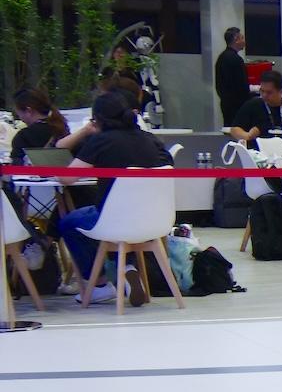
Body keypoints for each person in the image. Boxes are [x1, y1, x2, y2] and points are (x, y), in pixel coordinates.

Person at [55, 92, 171, 303]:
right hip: (155, 220)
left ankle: (99, 285)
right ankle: (127, 268)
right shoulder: (150, 139)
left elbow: (67, 178)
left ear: (98, 119)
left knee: (70, 223)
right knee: (117, 226)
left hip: (113, 219)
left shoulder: (101, 141)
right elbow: (168, 164)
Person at [229, 69, 282, 145]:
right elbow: (234, 129)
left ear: (281, 91)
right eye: (262, 91)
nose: (264, 95)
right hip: (257, 149)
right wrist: (248, 136)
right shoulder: (252, 105)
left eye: (269, 92)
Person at [9, 88, 69, 165]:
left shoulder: (24, 136)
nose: (20, 118)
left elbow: (16, 167)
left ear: (28, 111)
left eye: (18, 113)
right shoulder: (62, 128)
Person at [215, 26, 250, 127]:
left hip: (226, 103)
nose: (244, 41)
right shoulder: (236, 59)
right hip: (238, 106)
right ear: (236, 39)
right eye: (242, 38)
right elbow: (242, 85)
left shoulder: (221, 57)